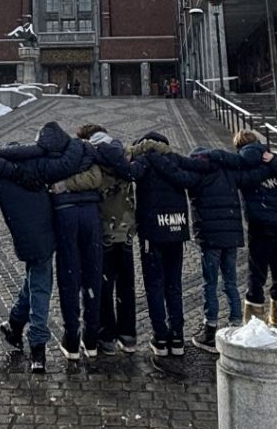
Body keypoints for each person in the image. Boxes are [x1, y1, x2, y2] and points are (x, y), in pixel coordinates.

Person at [0, 122, 90, 372]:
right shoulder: (40, 166)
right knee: (41, 289)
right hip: (43, 235)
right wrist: (77, 143)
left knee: (32, 279)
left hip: (23, 236)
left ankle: (14, 325)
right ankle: (38, 349)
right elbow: (68, 165)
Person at [127, 131, 207, 357]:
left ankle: (160, 337)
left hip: (152, 233)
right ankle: (178, 336)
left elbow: (128, 172)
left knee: (154, 285)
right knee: (174, 286)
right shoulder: (176, 161)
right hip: (176, 229)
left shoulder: (144, 162)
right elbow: (191, 179)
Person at [48, 134, 109, 361]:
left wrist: (63, 187)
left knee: (69, 275)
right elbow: (96, 178)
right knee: (93, 273)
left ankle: (72, 338)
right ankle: (91, 338)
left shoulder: (55, 155)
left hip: (65, 213)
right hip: (91, 213)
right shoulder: (87, 152)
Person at [184, 138, 245, 348]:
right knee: (231, 282)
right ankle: (236, 325)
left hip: (211, 237)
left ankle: (210, 328)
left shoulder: (198, 175)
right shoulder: (228, 173)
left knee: (209, 283)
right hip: (231, 235)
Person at [230, 130, 277, 325]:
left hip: (260, 224)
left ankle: (253, 323)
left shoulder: (242, 165)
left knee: (256, 273)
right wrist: (273, 164)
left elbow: (242, 182)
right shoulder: (273, 162)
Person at [84, 129, 137, 354]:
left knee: (104, 285)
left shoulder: (93, 162)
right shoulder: (125, 157)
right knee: (126, 284)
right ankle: (128, 334)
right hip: (126, 230)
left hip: (104, 230)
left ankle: (106, 335)